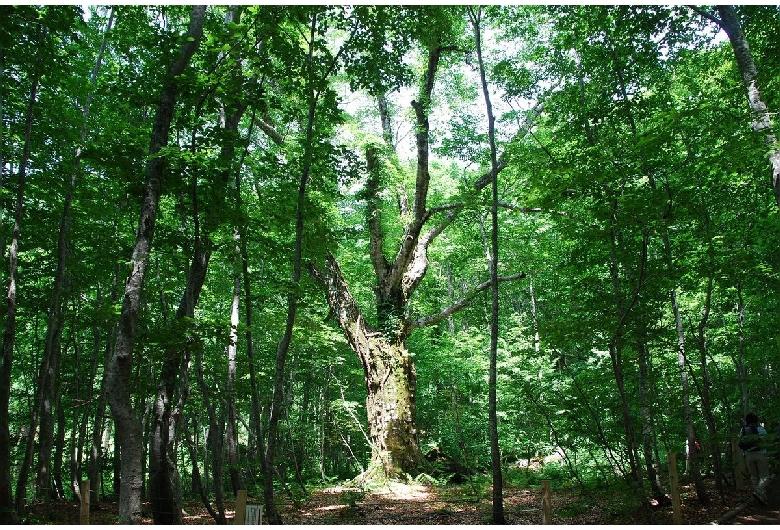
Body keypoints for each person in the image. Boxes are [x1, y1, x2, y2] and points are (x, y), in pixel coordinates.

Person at [739, 412, 770, 504]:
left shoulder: (743, 430)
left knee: (754, 477)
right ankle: (759, 491)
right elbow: (767, 440)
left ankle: (762, 498)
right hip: (761, 453)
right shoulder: (761, 429)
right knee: (765, 476)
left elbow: (741, 441)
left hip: (748, 455)